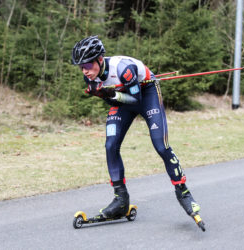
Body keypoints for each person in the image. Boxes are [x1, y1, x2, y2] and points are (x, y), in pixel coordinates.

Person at [72, 35, 200, 219]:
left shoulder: (124, 69)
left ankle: (183, 192)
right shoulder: (90, 78)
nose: (84, 71)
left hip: (146, 95)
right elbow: (114, 101)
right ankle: (120, 199)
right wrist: (102, 94)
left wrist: (111, 94)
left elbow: (136, 100)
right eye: (81, 67)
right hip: (123, 97)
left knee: (160, 145)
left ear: (100, 59)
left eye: (88, 65)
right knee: (110, 145)